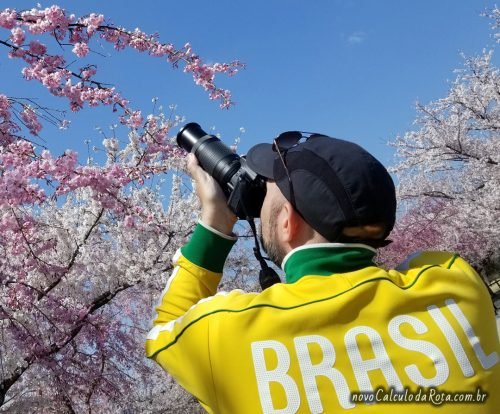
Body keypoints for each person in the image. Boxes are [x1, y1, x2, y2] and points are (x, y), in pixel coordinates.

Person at [145, 132, 500, 414]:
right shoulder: (454, 282)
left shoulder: (227, 332)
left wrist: (215, 221)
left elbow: (165, 330)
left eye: (268, 192)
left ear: (288, 223)